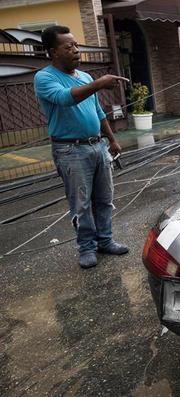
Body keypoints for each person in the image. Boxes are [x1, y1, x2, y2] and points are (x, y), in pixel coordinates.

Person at [34, 25, 129, 269]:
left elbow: (98, 112)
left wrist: (111, 139)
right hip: (70, 150)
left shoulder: (85, 77)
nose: (76, 50)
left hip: (97, 145)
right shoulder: (44, 78)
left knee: (104, 199)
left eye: (76, 45)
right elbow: (65, 98)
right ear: (53, 52)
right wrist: (98, 84)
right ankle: (87, 248)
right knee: (81, 203)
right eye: (69, 47)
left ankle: (105, 240)